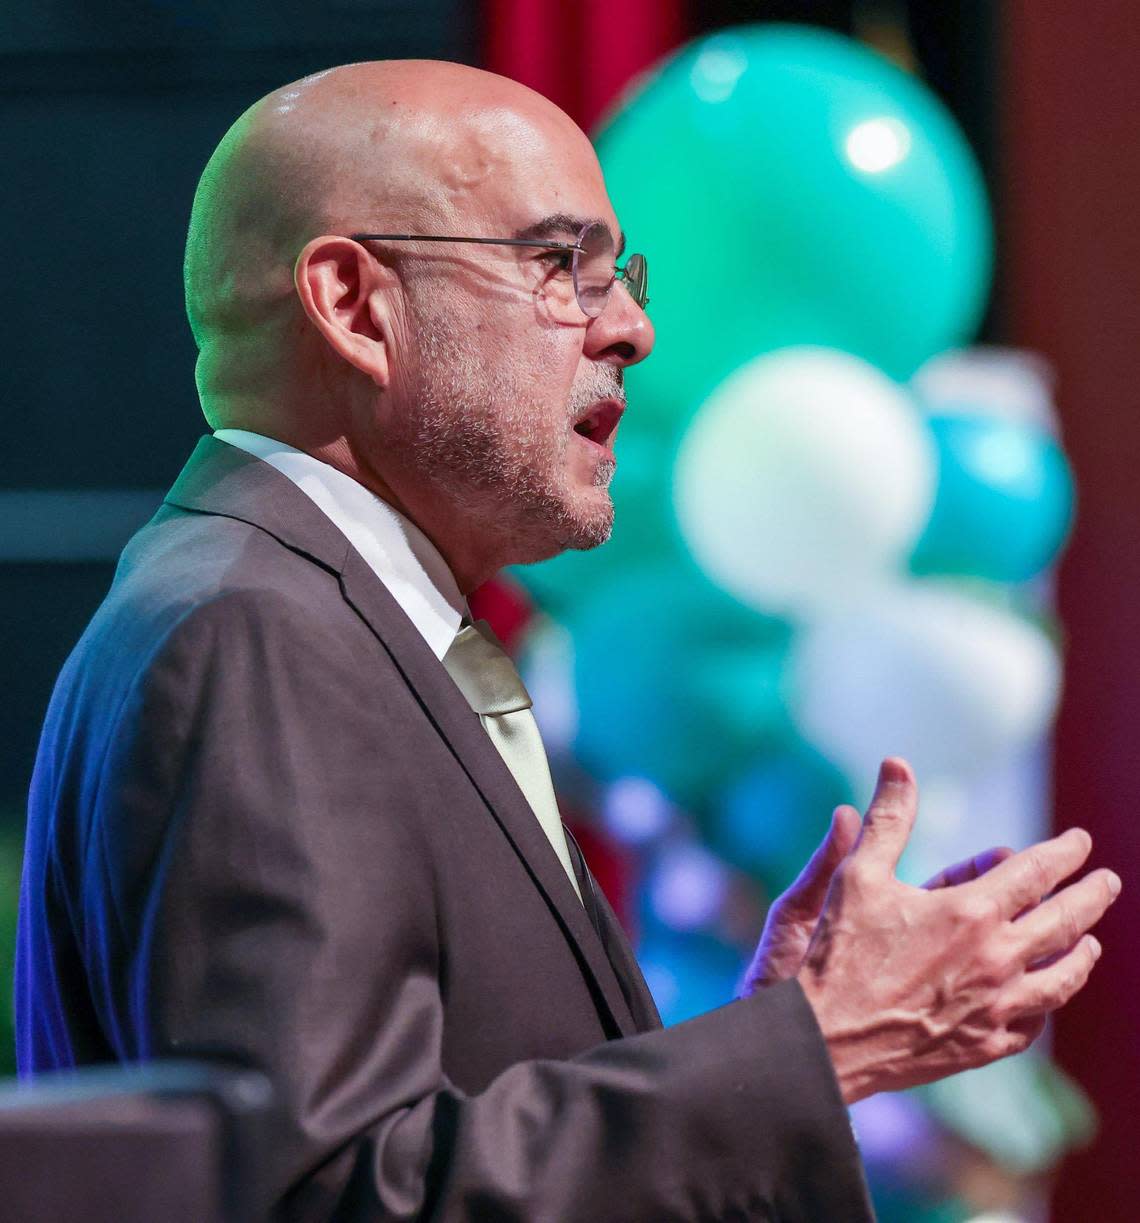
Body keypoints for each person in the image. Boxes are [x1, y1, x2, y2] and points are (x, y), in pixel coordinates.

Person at [15, 60, 1119, 1221]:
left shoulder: (308, 611)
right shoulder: (254, 635)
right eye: (561, 266)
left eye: (621, 275)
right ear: (354, 306)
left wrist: (762, 1031)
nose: (634, 328)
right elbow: (331, 1192)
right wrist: (811, 1047)